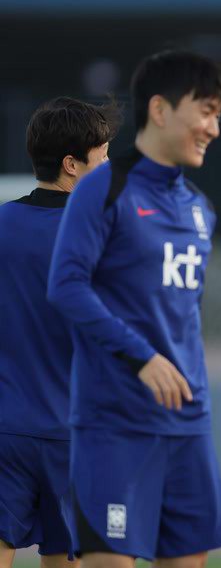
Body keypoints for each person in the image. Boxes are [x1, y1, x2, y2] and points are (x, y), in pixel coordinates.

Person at [47, 50, 221, 568]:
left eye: (219, 115)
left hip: (188, 424)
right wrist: (143, 357)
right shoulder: (102, 189)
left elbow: (181, 313)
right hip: (115, 426)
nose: (214, 128)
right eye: (205, 110)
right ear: (159, 109)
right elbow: (66, 287)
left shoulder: (200, 207)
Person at [0, 97, 120, 568]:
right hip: (73, 433)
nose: (110, 166)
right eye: (104, 155)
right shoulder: (101, 236)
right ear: (71, 164)